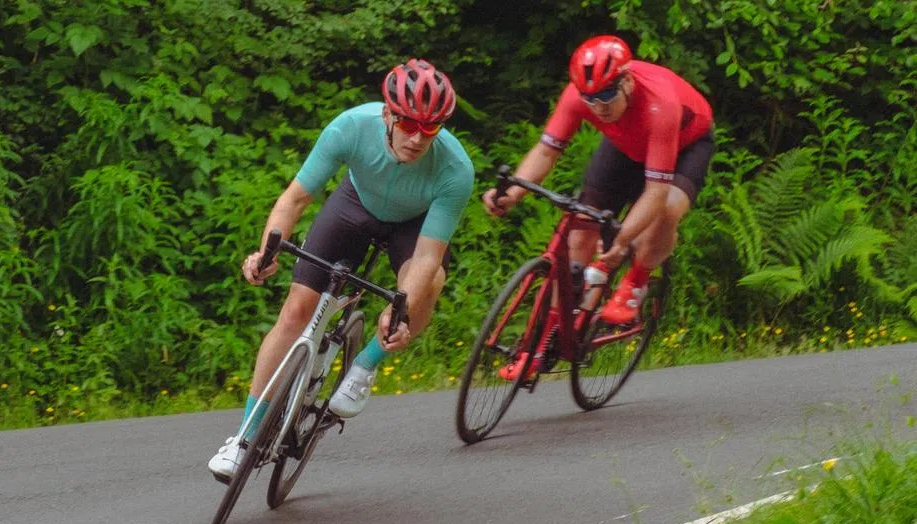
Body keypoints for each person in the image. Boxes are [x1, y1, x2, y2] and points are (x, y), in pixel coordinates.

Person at [208, 59, 475, 482]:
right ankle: (244, 437)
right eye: (408, 124)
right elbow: (295, 198)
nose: (418, 138)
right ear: (388, 114)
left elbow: (425, 258)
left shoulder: (455, 169)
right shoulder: (351, 127)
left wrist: (400, 309)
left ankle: (365, 365)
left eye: (432, 128)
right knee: (296, 311)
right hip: (356, 206)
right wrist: (266, 252)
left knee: (430, 283)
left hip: (413, 225)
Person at [482, 35, 714, 376]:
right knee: (578, 230)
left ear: (628, 82)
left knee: (665, 212)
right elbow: (546, 151)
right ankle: (543, 344)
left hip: (685, 146)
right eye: (590, 98)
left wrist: (621, 244)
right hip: (626, 144)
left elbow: (654, 192)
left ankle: (636, 282)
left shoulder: (659, 105)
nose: (599, 106)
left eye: (607, 95)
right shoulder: (579, 96)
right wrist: (513, 194)